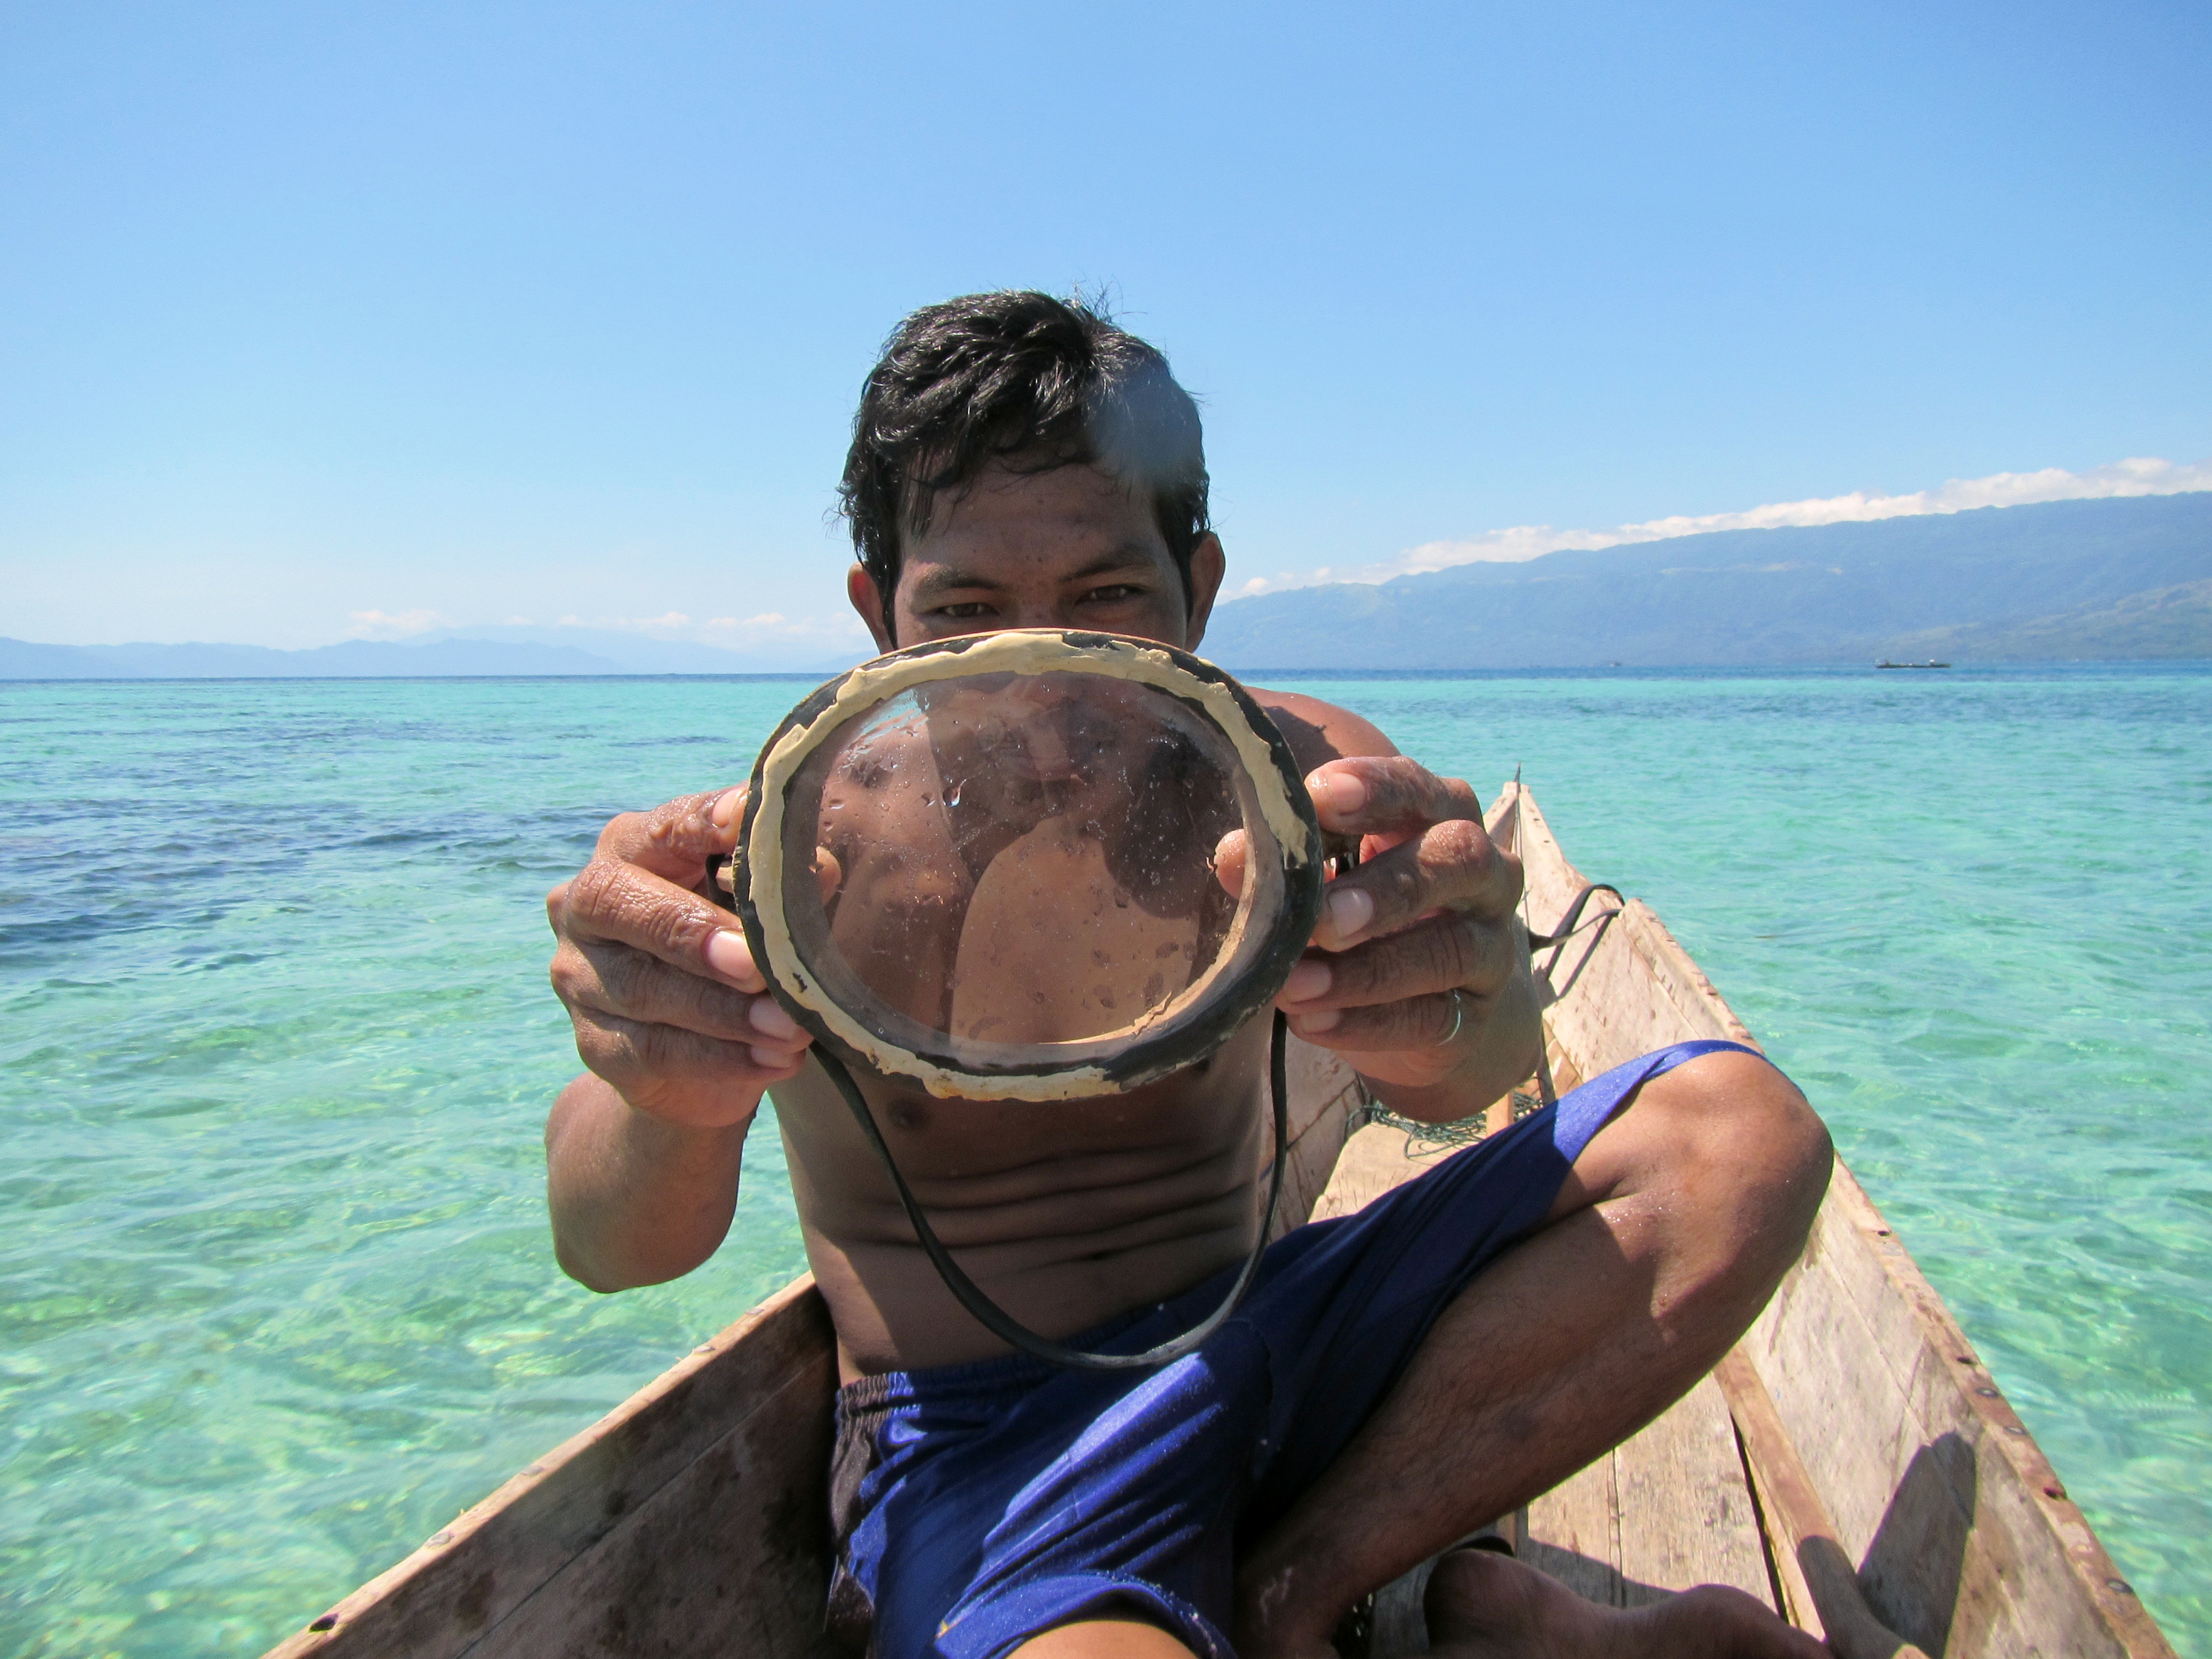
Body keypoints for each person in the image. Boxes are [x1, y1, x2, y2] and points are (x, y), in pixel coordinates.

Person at [542, 292, 1835, 1659]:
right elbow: (610, 1246)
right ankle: (1483, 1616)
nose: (1049, 685)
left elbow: (1483, 1066)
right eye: (967, 611)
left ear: (1198, 590)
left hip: (1275, 1339)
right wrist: (662, 1077)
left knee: (1736, 1141)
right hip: (989, 1449)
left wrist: (1457, 990)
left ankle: (1295, 1589)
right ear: (878, 614)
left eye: (1106, 601)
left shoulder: (1298, 786)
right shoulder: (794, 848)